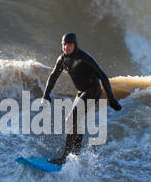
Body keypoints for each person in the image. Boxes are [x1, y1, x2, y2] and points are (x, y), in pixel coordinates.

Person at [42, 32, 122, 165]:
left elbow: (103, 76)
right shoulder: (62, 59)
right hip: (82, 91)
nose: (66, 47)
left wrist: (111, 99)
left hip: (93, 91)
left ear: (75, 45)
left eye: (69, 44)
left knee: (70, 120)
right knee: (76, 120)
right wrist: (46, 94)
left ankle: (64, 158)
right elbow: (53, 76)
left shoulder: (85, 58)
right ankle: (77, 154)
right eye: (64, 44)